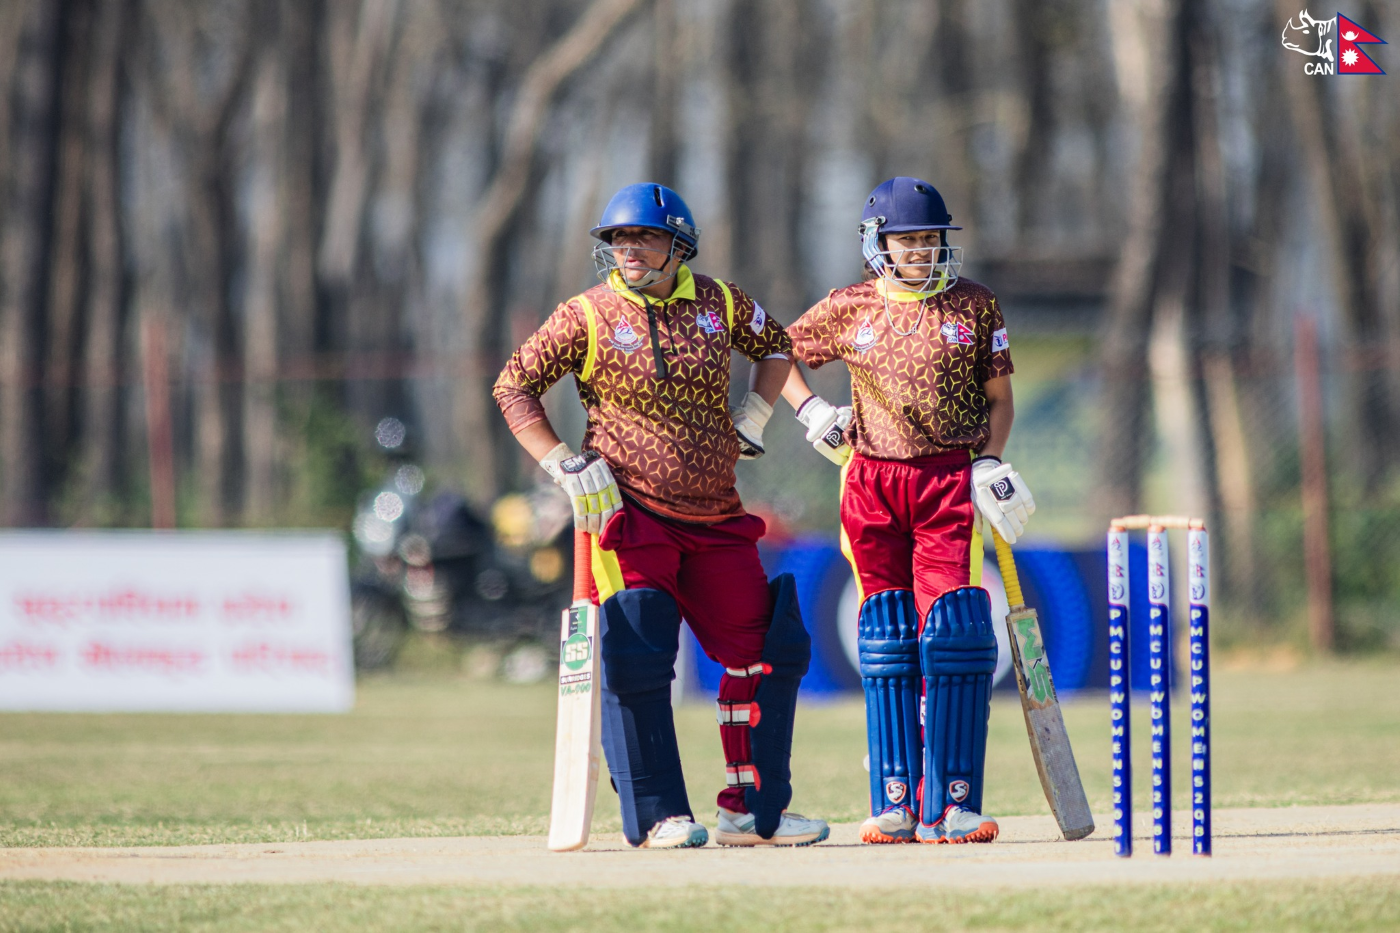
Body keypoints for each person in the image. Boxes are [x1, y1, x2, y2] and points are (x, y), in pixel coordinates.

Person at [493, 183, 829, 849]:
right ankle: (657, 811)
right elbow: (514, 385)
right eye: (617, 240)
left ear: (680, 245)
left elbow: (778, 345)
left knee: (765, 650)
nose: (628, 251)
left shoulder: (721, 301)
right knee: (641, 650)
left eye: (643, 238)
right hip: (632, 514)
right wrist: (561, 461)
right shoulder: (585, 314)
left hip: (717, 513)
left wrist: (757, 415)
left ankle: (750, 806)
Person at [780, 177, 1035, 845]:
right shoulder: (850, 306)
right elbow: (773, 352)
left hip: (950, 478)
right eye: (909, 240)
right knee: (888, 636)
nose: (922, 251)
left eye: (931, 239)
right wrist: (811, 410)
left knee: (952, 633)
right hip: (871, 482)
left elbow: (1001, 400)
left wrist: (989, 459)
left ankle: (953, 803)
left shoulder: (974, 305)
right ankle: (893, 798)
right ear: (877, 244)